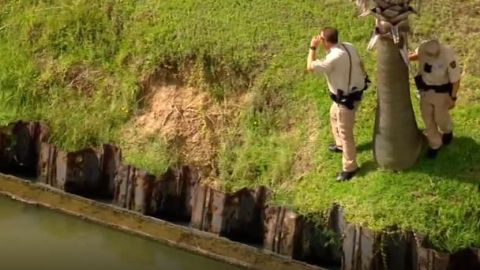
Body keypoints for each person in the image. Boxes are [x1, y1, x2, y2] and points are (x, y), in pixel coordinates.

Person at [307, 27, 369, 181]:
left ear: (325, 41)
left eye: (321, 39)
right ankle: (340, 145)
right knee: (333, 114)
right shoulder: (348, 46)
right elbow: (361, 64)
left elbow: (310, 67)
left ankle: (350, 167)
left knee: (346, 133)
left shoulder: (332, 58)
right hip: (352, 95)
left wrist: (312, 47)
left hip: (345, 101)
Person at [409, 39, 462, 159]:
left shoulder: (448, 54)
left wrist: (453, 97)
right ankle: (435, 144)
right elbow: (417, 56)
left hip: (441, 92)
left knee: (440, 118)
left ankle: (447, 131)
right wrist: (406, 57)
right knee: (427, 118)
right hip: (425, 91)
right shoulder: (423, 48)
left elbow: (456, 80)